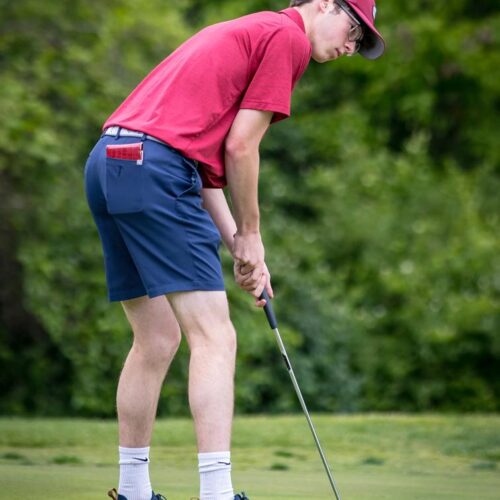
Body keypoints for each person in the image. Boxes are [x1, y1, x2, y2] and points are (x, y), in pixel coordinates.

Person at [84, 1, 384, 499]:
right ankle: (217, 494)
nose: (352, 46)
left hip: (112, 163)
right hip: (157, 169)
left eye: (360, 43)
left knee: (157, 340)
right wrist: (252, 231)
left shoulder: (251, 30)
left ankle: (133, 492)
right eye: (353, 29)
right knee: (216, 338)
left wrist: (245, 250)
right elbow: (241, 147)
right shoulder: (287, 39)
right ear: (324, 5)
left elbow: (202, 170)